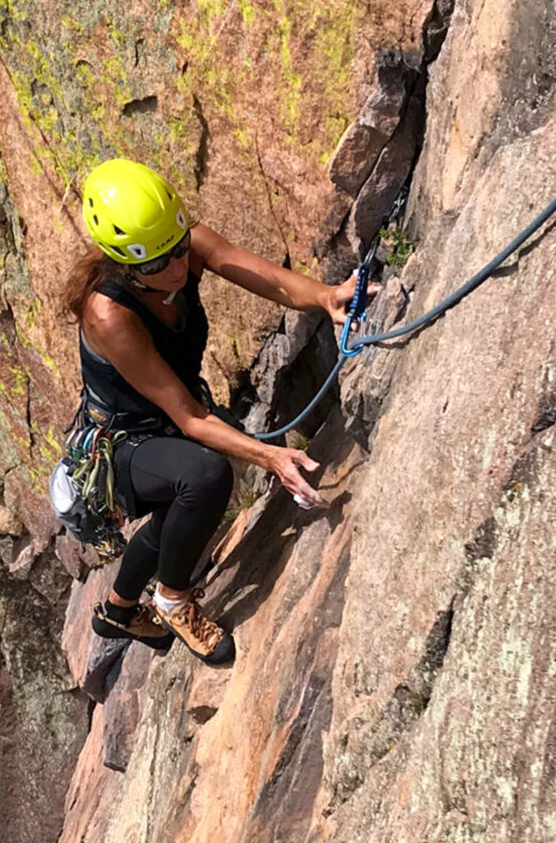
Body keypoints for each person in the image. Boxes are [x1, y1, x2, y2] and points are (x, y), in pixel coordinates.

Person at [67, 158, 365, 666]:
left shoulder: (175, 243)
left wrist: (325, 297)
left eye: (179, 248)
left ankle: (116, 611)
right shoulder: (108, 315)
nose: (176, 268)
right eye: (156, 265)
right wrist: (270, 458)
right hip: (122, 442)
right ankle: (172, 600)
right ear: (123, 264)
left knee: (180, 505)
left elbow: (265, 279)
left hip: (163, 418)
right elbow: (188, 417)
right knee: (204, 477)